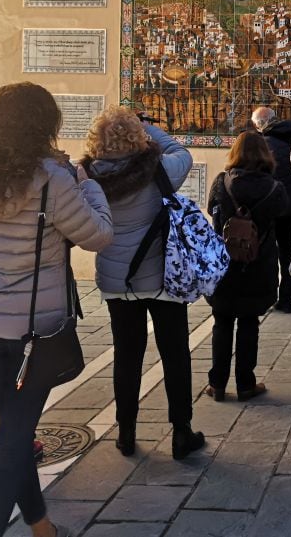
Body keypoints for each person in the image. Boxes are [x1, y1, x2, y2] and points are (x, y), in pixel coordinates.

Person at [0, 82, 112, 537]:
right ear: (45, 125)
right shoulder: (54, 180)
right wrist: (89, 186)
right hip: (33, 325)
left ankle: (41, 525)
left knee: (16, 430)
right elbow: (97, 235)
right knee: (15, 436)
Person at [80, 108, 204, 460]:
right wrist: (151, 128)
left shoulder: (87, 175)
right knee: (175, 353)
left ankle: (126, 433)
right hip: (162, 274)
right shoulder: (159, 169)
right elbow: (183, 152)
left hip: (117, 279)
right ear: (138, 135)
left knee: (127, 355)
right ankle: (181, 431)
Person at [205, 131, 287, 402]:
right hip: (258, 266)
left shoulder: (221, 183)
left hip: (225, 267)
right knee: (249, 323)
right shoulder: (274, 188)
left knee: (222, 323)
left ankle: (217, 383)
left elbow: (211, 211)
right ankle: (245, 383)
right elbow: (283, 213)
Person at [251, 106, 291, 313]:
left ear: (259, 125)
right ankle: (287, 298)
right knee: (287, 249)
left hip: (270, 205)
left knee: (267, 251)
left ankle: (270, 295)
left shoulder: (263, 144)